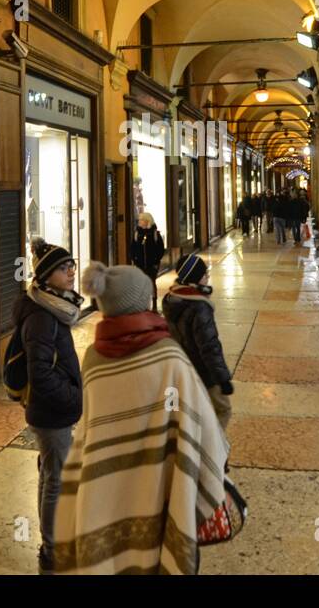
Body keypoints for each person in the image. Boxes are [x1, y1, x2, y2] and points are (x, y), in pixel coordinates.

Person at [52, 263, 230, 574]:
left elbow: (90, 427)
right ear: (141, 302)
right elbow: (200, 428)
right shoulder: (168, 356)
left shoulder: (93, 358)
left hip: (106, 490)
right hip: (161, 483)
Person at [13, 238, 84, 574]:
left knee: (49, 474)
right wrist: (73, 396)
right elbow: (40, 374)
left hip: (49, 411)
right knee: (56, 480)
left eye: (71, 265)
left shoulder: (52, 306)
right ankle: (53, 549)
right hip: (50, 412)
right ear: (45, 276)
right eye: (62, 268)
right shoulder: (42, 317)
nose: (71, 272)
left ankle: (53, 540)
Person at [162, 253, 233, 430]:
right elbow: (209, 346)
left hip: (181, 368)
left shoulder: (171, 299)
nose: (207, 277)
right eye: (204, 274)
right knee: (223, 409)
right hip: (203, 372)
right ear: (195, 279)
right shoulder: (199, 307)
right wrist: (222, 379)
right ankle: (214, 449)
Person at [130, 211, 165, 310]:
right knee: (141, 284)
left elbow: (160, 249)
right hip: (139, 264)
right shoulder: (137, 234)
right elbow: (132, 248)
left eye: (141, 220)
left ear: (147, 221)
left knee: (152, 282)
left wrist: (155, 260)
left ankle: (154, 304)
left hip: (152, 265)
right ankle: (143, 304)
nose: (139, 221)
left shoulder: (154, 234)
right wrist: (134, 259)